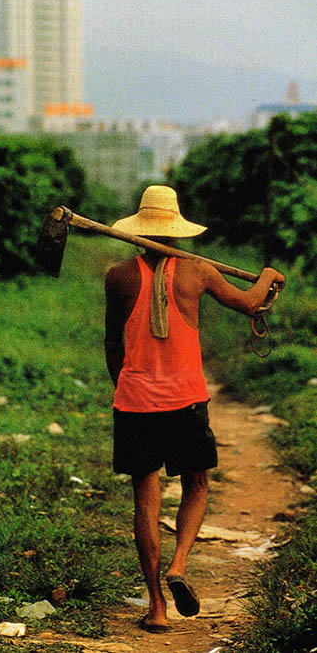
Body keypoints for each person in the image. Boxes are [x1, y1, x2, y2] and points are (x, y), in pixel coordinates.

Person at [104, 185, 285, 633]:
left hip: (135, 401)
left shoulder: (118, 275)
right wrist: (267, 276)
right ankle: (179, 564)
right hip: (186, 399)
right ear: (178, 230)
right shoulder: (198, 271)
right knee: (197, 485)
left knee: (144, 499)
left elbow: (112, 344)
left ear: (139, 228)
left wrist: (126, 387)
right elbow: (250, 303)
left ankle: (155, 607)